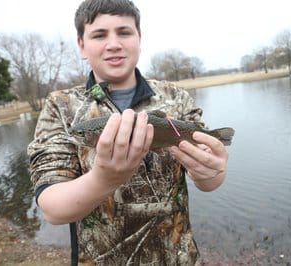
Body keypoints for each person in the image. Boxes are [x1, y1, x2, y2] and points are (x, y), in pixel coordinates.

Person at [27, 0, 229, 265]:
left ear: (139, 38)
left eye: (124, 32)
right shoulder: (60, 107)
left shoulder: (175, 97)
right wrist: (103, 179)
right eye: (99, 35)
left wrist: (212, 171)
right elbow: (52, 209)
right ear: (82, 46)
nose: (113, 44)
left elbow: (209, 181)